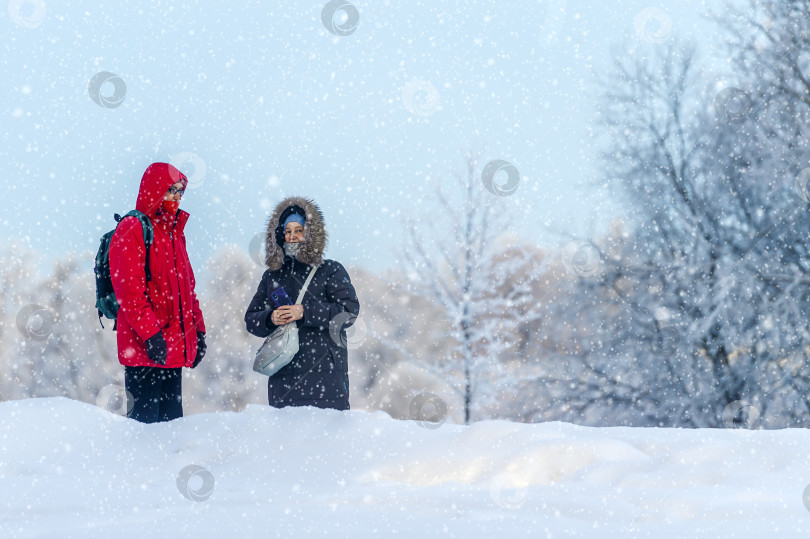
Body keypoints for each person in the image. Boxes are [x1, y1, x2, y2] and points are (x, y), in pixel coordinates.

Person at [109, 162, 207, 423]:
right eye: (170, 190)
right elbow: (129, 293)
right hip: (144, 353)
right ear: (153, 190)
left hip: (171, 353)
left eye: (180, 192)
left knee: (173, 437)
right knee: (143, 439)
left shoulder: (175, 234)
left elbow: (188, 291)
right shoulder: (132, 229)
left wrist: (198, 331)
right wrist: (151, 335)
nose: (176, 197)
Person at [245, 196, 359, 410]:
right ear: (280, 236)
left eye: (298, 230)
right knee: (286, 441)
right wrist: (270, 318)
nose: (292, 236)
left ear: (310, 233)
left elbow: (349, 312)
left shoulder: (330, 270)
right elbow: (251, 319)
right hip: (284, 379)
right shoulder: (272, 276)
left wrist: (305, 312)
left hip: (327, 380)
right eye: (287, 231)